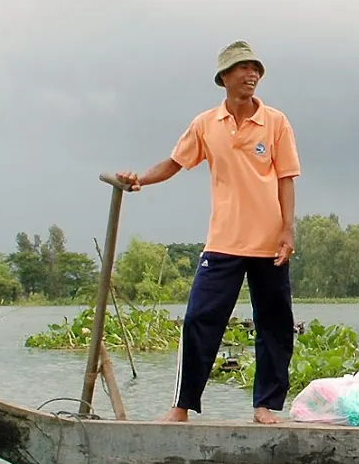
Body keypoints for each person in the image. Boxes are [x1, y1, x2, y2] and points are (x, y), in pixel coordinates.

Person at [115, 41, 300, 424]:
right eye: (243, 69)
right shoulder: (206, 124)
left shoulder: (276, 122)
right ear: (225, 78)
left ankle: (264, 406)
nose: (252, 75)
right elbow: (174, 162)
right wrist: (140, 181)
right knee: (199, 320)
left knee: (275, 324)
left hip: (269, 243)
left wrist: (287, 230)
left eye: (256, 69)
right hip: (224, 242)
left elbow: (286, 178)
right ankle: (182, 407)